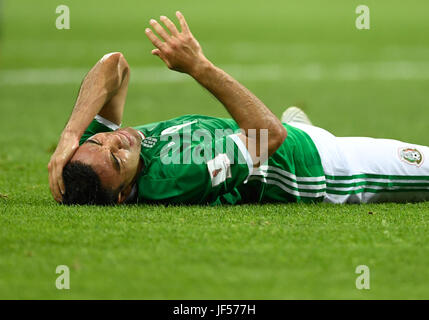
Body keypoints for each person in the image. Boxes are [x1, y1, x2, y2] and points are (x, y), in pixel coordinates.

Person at [48, 12, 429, 205]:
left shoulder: (90, 155)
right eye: (117, 159)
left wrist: (70, 135)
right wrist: (199, 67)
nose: (118, 141)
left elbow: (114, 65)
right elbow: (269, 136)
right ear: (123, 193)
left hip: (291, 138)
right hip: (320, 167)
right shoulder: (176, 175)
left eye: (100, 141)